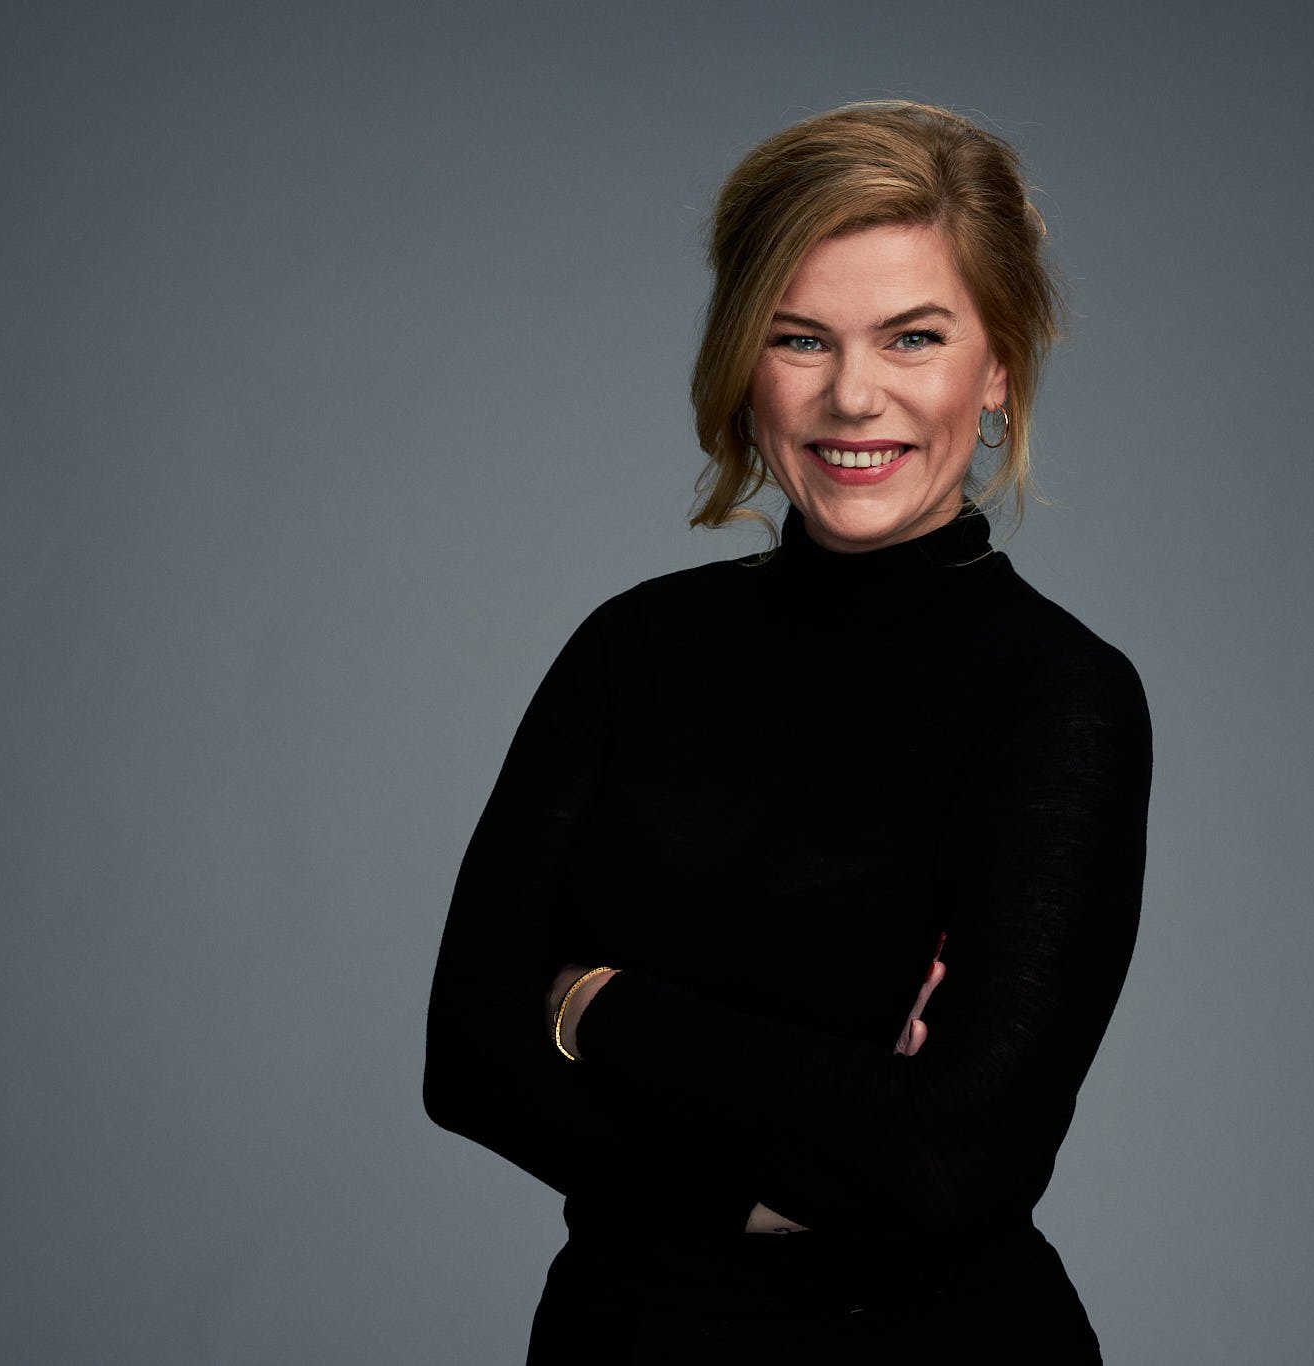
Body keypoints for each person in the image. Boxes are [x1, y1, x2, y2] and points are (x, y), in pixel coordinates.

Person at [424, 100, 1151, 1362]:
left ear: (996, 369)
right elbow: (468, 1061)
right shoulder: (631, 650)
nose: (852, 395)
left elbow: (945, 1159)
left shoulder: (1057, 695)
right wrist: (777, 1168)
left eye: (912, 337)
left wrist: (599, 1003)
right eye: (799, 337)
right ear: (742, 364)